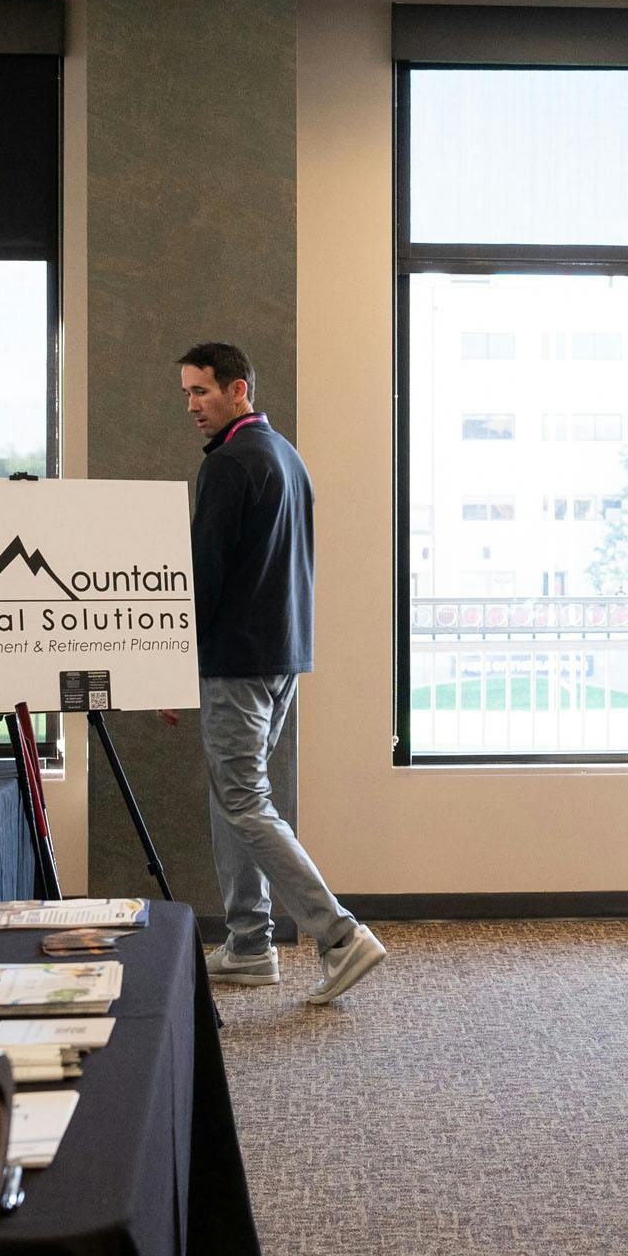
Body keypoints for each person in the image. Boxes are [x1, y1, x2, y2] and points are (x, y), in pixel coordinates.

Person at [179, 341, 385, 1002]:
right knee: (234, 798)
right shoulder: (285, 456)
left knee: (243, 800)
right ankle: (248, 943)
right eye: (186, 393)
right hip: (277, 657)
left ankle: (340, 935)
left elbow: (202, 577)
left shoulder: (230, 464)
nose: (192, 405)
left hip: (236, 661)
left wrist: (172, 660)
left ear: (239, 389)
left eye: (202, 391)